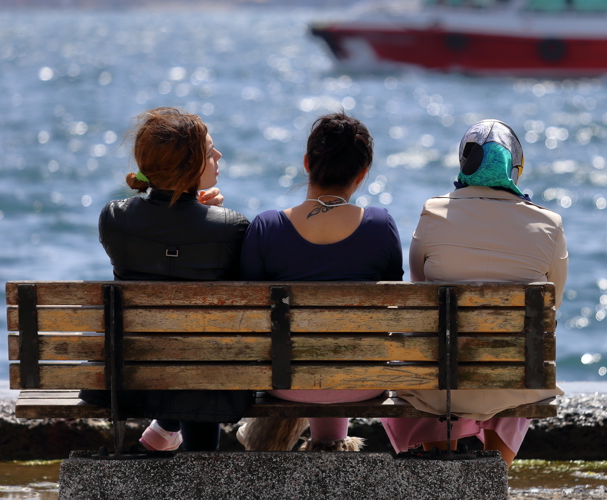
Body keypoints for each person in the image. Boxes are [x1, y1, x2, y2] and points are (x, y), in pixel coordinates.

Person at [382, 119, 567, 465]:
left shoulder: (433, 213)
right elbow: (553, 305)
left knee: (440, 350)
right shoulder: (549, 224)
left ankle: (448, 476)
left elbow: (421, 292)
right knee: (516, 355)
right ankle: (492, 476)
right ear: (515, 166)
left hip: (442, 388)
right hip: (514, 383)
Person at [84, 107, 252, 452]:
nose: (218, 156)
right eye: (209, 151)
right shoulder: (232, 228)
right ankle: (191, 464)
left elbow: (162, 231)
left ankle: (164, 432)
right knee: (199, 363)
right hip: (208, 382)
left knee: (185, 361)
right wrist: (210, 215)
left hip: (130, 379)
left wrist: (197, 208)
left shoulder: (114, 219)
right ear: (190, 165)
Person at [238, 111, 403, 452]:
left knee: (291, 353)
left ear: (306, 163)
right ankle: (330, 444)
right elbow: (393, 310)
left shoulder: (266, 228)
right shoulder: (380, 226)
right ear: (363, 173)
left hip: (286, 384)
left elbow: (248, 318)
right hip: (363, 382)